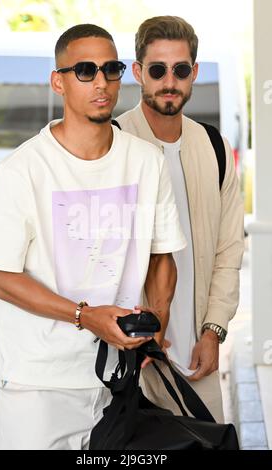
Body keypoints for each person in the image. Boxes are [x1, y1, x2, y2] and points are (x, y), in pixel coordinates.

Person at [0, 24, 186, 450]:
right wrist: (85, 316)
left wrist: (156, 328)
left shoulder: (147, 162)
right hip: (38, 386)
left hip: (119, 380)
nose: (102, 82)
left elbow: (162, 257)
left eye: (111, 69)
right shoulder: (23, 171)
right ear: (58, 81)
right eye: (85, 70)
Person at [117, 15, 245, 423]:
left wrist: (214, 331)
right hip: (133, 362)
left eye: (180, 69)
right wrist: (132, 336)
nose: (169, 81)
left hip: (197, 360)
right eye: (157, 70)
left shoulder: (214, 146)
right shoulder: (114, 145)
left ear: (194, 73)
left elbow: (229, 250)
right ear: (139, 73)